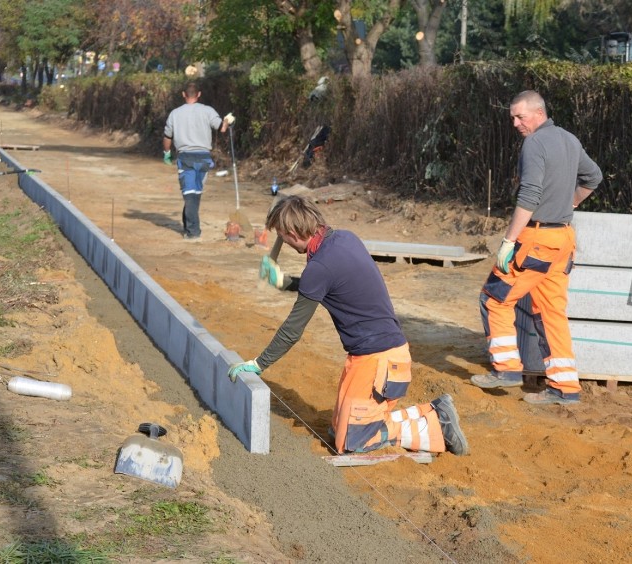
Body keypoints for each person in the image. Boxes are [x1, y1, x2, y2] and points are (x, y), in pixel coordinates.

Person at [228, 196, 469, 457]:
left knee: (352, 443)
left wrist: (259, 363)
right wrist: (287, 282)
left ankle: (436, 423)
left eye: (283, 237)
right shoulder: (344, 239)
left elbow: (292, 331)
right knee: (336, 432)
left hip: (377, 364)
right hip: (385, 356)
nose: (283, 243)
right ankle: (432, 410)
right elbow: (331, 284)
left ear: (292, 233)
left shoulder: (318, 267)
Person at [470, 90, 603, 406]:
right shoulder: (569, 139)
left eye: (520, 116)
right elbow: (593, 177)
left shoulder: (535, 144)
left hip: (536, 240)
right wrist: (570, 201)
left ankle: (506, 369)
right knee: (550, 312)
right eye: (513, 118)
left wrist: (508, 242)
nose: (515, 123)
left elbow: (528, 196)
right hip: (563, 241)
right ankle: (565, 388)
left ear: (539, 113)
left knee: (493, 298)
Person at [162, 82, 232, 241]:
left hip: (185, 157)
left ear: (183, 94)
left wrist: (167, 153)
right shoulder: (208, 111)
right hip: (203, 157)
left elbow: (167, 137)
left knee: (190, 194)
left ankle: (193, 233)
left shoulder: (175, 113)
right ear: (198, 94)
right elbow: (221, 128)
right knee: (194, 194)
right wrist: (227, 120)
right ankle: (188, 226)